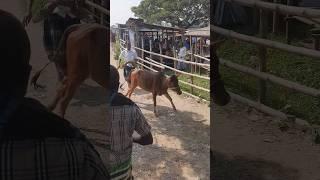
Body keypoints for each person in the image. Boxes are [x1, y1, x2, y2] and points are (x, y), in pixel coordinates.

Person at [0, 10, 110, 179]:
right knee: (71, 75)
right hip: (60, 24)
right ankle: (60, 107)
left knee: (70, 75)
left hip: (65, 25)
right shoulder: (75, 153)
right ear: (25, 75)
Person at [23, 0, 88, 81]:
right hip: (53, 15)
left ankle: (67, 75)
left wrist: (79, 6)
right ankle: (61, 75)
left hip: (71, 15)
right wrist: (28, 11)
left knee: (73, 50)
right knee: (56, 50)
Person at [106, 70, 153, 179]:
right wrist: (131, 138)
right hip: (122, 174)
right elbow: (148, 140)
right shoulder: (131, 108)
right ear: (118, 85)